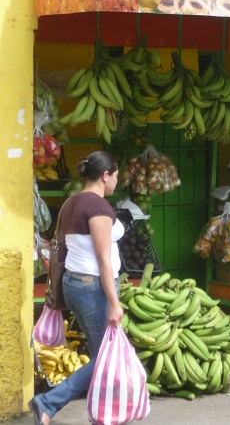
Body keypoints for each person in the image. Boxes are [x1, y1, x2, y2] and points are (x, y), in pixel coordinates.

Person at [29, 152, 125, 425]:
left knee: (101, 354)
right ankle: (48, 402)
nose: (116, 181)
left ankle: (104, 413)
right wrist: (114, 303)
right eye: (116, 176)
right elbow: (103, 260)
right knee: (105, 357)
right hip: (92, 287)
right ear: (105, 175)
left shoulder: (72, 202)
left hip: (74, 284)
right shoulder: (98, 207)